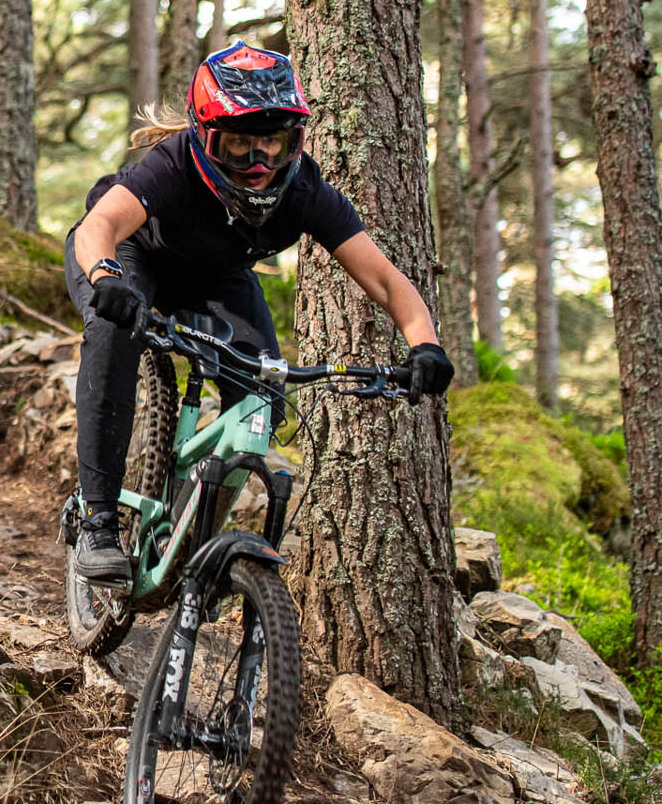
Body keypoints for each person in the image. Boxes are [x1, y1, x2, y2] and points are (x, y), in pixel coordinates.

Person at [63, 40, 454, 584]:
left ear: (295, 141)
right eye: (239, 145)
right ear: (205, 136)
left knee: (261, 402)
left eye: (274, 143)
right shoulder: (173, 165)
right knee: (113, 337)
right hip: (131, 257)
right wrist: (107, 278)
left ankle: (193, 546)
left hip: (218, 277)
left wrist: (425, 345)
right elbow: (100, 225)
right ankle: (99, 521)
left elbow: (385, 279)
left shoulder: (306, 191)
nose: (259, 163)